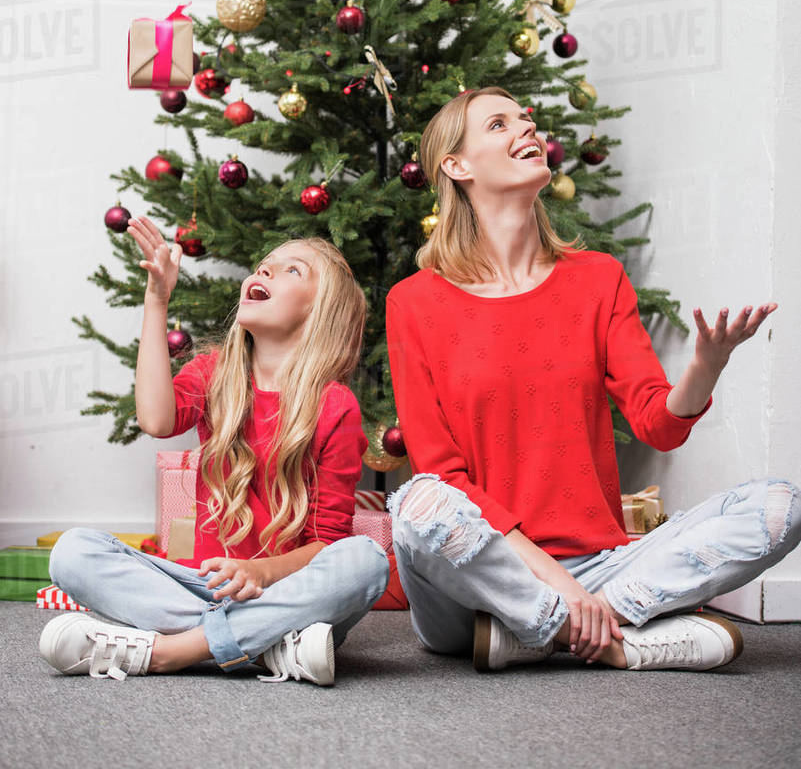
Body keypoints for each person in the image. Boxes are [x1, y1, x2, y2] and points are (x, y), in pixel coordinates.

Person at [385, 86, 801, 673]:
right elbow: (441, 473)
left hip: (600, 565)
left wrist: (707, 366)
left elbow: (659, 426)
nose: (525, 128)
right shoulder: (413, 302)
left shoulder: (597, 279)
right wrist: (558, 587)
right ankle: (603, 634)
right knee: (418, 504)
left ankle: (545, 634)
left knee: (781, 504)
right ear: (457, 166)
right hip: (476, 582)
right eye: (499, 124)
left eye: (525, 119)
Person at [40, 220, 389, 684]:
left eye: (290, 271)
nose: (262, 273)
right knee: (73, 551)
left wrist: (260, 572)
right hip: (204, 591)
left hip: (285, 593)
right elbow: (156, 420)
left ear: (319, 311)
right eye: (263, 266)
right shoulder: (214, 373)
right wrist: (156, 300)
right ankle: (267, 649)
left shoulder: (334, 406)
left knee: (365, 560)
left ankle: (169, 652)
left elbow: (328, 545)